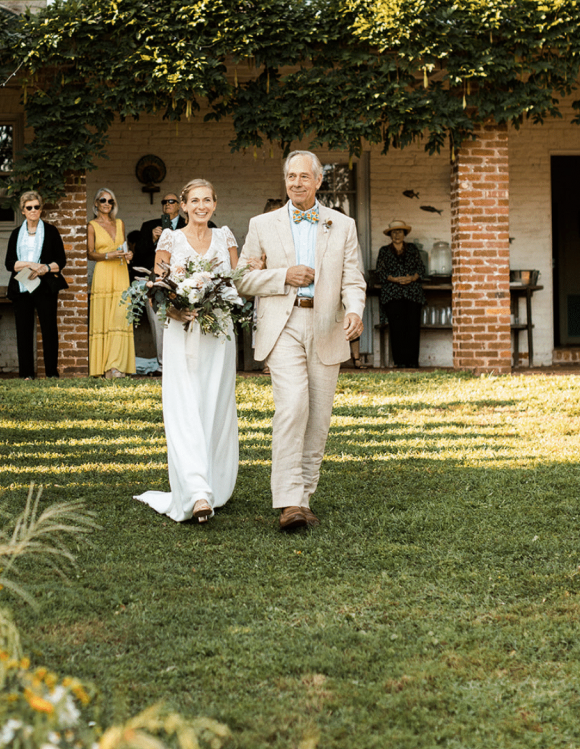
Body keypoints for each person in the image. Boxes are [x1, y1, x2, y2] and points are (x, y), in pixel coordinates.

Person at [236, 151, 366, 532]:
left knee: (319, 416)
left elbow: (353, 279)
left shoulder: (342, 225)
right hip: (284, 324)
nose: (296, 183)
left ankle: (304, 497)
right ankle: (289, 501)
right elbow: (241, 278)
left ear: (318, 181)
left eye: (303, 177)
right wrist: (283, 276)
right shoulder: (262, 224)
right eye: (290, 176)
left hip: (327, 325)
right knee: (292, 405)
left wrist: (355, 309)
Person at [133, 180, 240, 524]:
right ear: (182, 205)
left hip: (218, 334)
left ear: (215, 203)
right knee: (185, 406)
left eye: (207, 199)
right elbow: (157, 288)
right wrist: (175, 309)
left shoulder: (225, 237)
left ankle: (214, 484)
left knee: (216, 405)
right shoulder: (170, 239)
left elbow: (237, 283)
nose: (201, 206)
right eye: (194, 200)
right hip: (182, 331)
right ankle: (196, 493)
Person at [4, 190, 69, 379]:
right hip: (22, 285)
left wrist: (45, 268)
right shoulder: (16, 234)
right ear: (23, 210)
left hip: (45, 285)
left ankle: (51, 373)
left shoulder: (51, 231)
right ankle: (26, 374)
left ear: (41, 209)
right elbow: (10, 264)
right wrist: (30, 265)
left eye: (36, 207)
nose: (33, 210)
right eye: (29, 207)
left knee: (49, 329)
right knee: (23, 331)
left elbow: (61, 262)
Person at [131, 193, 187, 373]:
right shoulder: (149, 226)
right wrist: (153, 240)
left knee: (182, 320)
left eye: (172, 201)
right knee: (158, 321)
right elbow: (138, 257)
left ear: (179, 205)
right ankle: (163, 365)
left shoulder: (187, 225)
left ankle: (183, 363)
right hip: (155, 282)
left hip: (181, 281)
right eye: (164, 202)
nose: (167, 204)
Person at [87, 186, 134, 378]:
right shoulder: (92, 226)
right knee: (104, 318)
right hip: (104, 272)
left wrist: (129, 254)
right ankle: (105, 367)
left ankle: (118, 366)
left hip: (122, 271)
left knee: (120, 316)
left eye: (110, 201)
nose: (107, 204)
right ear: (96, 203)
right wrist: (108, 254)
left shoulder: (120, 223)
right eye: (103, 200)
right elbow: (90, 253)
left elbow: (125, 247)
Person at [375, 219, 426, 368]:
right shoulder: (384, 251)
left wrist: (412, 278)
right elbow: (381, 272)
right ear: (390, 235)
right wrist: (395, 279)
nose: (397, 235)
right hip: (392, 294)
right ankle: (400, 362)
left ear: (404, 234)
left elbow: (421, 269)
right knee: (397, 328)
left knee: (412, 327)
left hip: (413, 293)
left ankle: (412, 362)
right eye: (394, 232)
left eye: (400, 231)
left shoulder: (413, 249)